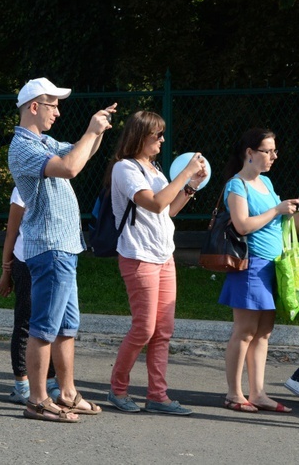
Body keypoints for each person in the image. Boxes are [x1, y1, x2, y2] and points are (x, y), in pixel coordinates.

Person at [7, 77, 115, 423]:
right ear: (34, 107)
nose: (58, 111)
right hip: (50, 247)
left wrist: (96, 132)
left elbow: (81, 152)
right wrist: (89, 131)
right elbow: (70, 167)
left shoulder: (43, 140)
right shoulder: (23, 147)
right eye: (53, 104)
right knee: (43, 327)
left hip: (65, 246)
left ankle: (66, 392)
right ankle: (37, 400)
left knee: (67, 326)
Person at [106, 111, 206, 415]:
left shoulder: (155, 168)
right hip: (139, 257)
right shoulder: (125, 169)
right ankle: (117, 389)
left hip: (164, 256)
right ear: (140, 136)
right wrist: (185, 173)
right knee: (144, 328)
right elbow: (155, 202)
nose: (162, 140)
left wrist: (190, 187)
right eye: (157, 135)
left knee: (163, 330)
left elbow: (169, 210)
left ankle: (157, 395)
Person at [220, 128, 299, 413]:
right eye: (268, 151)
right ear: (250, 153)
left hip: (270, 266)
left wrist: (290, 210)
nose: (274, 156)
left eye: (274, 151)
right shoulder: (237, 185)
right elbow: (242, 225)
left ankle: (258, 393)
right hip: (249, 265)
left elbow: (278, 223)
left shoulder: (265, 182)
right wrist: (277, 210)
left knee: (264, 332)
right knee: (244, 330)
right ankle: (234, 394)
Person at [0, 187, 58, 405]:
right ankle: (21, 385)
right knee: (26, 322)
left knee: (51, 324)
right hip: (26, 261)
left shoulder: (58, 185)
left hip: (53, 259)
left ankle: (50, 381)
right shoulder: (23, 189)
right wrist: (6, 273)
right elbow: (11, 232)